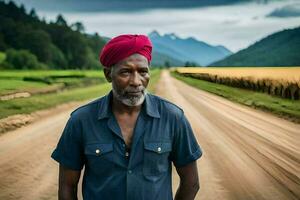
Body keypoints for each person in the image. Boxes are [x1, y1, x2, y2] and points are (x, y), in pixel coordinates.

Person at [51, 34, 203, 200]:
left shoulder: (173, 118)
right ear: (108, 74)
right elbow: (67, 186)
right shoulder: (81, 120)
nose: (136, 81)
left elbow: (191, 182)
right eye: (126, 72)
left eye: (143, 72)